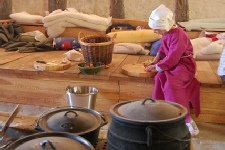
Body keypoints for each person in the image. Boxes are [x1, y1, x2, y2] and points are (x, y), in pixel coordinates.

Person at [145, 4, 200, 136]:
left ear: (165, 26)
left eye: (157, 29)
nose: (155, 32)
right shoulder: (167, 33)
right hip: (173, 63)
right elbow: (163, 48)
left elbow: (173, 58)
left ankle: (186, 119)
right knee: (159, 78)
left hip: (184, 65)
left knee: (172, 83)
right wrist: (157, 58)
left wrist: (156, 66)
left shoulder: (179, 35)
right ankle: (160, 111)